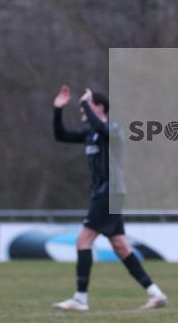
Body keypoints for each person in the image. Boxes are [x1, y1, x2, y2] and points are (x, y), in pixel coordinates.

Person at [50, 85, 167, 311]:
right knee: (121, 246)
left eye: (88, 104)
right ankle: (155, 293)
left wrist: (84, 102)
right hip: (106, 194)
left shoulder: (113, 129)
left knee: (82, 241)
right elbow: (60, 135)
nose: (82, 110)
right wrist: (57, 110)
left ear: (99, 107)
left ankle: (80, 298)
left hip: (109, 193)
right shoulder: (91, 134)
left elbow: (103, 130)